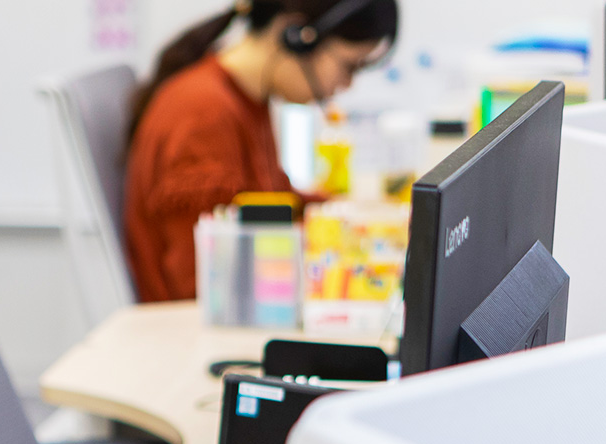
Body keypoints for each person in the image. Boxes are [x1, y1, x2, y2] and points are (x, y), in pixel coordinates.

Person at [124, 0, 399, 302]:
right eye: (349, 66)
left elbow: (268, 203)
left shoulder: (246, 99)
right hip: (195, 331)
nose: (346, 85)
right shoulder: (204, 114)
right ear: (295, 35)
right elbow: (203, 285)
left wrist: (361, 213)